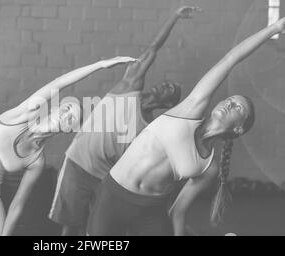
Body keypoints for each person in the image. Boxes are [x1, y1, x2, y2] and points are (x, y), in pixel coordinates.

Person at [86, 15, 285, 236]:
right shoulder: (190, 110)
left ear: (238, 128)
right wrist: (274, 28)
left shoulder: (208, 167)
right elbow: (231, 59)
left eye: (238, 108)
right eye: (230, 100)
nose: (230, 104)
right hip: (112, 198)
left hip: (150, 213)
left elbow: (178, 212)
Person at [0, 56, 136, 236]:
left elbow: (18, 204)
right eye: (66, 108)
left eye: (72, 117)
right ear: (54, 109)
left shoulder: (37, 161)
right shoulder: (21, 115)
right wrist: (100, 65)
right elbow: (60, 82)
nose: (66, 114)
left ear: (69, 128)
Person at [48, 6, 201, 236]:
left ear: (168, 104)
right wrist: (174, 17)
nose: (164, 85)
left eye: (170, 89)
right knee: (71, 226)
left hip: (105, 178)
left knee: (97, 230)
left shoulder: (149, 131)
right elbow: (152, 49)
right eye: (166, 82)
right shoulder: (129, 86)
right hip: (78, 163)